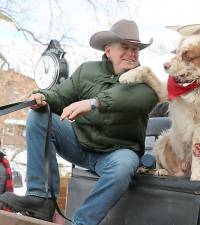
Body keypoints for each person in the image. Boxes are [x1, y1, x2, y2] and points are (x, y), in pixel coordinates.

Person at [0, 19, 158, 225]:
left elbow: (137, 99)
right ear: (108, 50)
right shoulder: (87, 71)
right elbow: (60, 96)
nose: (131, 53)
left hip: (118, 152)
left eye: (135, 48)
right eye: (125, 47)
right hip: (80, 143)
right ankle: (41, 198)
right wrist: (42, 97)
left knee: (124, 166)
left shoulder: (144, 78)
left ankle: (82, 222)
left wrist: (93, 103)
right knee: (39, 117)